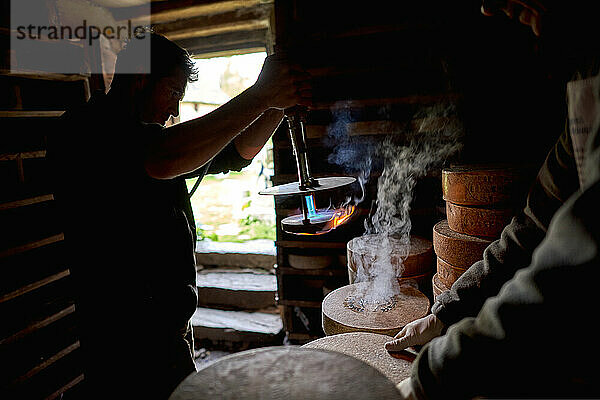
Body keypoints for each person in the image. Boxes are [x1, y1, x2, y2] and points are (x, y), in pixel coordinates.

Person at [48, 33, 310, 399]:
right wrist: (261, 94)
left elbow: (239, 150)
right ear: (141, 79)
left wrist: (277, 106)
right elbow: (160, 159)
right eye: (173, 92)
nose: (174, 110)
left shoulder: (150, 137)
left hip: (166, 330)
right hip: (120, 335)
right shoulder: (84, 129)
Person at [384, 1, 600, 398]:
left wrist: (431, 376)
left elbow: (577, 265)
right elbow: (534, 225)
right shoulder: (589, 72)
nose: (487, 6)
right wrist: (445, 314)